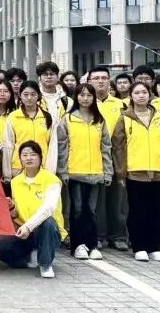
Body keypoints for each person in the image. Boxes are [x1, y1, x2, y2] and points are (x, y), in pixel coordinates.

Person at [113, 82, 160, 262]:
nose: (141, 95)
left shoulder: (159, 117)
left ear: (149, 95)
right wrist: (121, 172)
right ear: (131, 96)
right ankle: (139, 246)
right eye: (137, 92)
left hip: (158, 170)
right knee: (137, 210)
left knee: (157, 210)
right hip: (135, 171)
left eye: (144, 92)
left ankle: (155, 246)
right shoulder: (124, 118)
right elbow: (118, 148)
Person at [0, 141, 66, 279]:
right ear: (20, 159)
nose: (29, 158)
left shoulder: (52, 180)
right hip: (25, 232)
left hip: (48, 231)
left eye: (33, 154)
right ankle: (29, 258)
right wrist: (11, 208)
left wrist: (29, 227)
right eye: (24, 155)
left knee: (47, 222)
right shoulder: (16, 182)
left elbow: (49, 208)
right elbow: (17, 214)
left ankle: (45, 264)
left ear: (40, 157)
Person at [62, 83, 111, 261]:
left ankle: (92, 244)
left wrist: (108, 171)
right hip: (74, 172)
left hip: (95, 173)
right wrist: (63, 171)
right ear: (76, 97)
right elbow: (62, 147)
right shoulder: (68, 119)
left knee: (91, 210)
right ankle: (78, 245)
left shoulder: (99, 120)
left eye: (89, 95)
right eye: (82, 95)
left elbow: (106, 147)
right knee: (77, 210)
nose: (85, 98)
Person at [88, 66, 128, 251]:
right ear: (89, 82)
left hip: (117, 155)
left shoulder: (121, 105)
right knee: (98, 199)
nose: (100, 81)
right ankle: (98, 235)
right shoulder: (84, 104)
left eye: (104, 78)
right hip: (93, 156)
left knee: (118, 197)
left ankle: (118, 235)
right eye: (96, 78)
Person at [1, 81, 59, 180]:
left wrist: (51, 170)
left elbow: (52, 145)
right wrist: (7, 173)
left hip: (43, 169)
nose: (29, 98)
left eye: (33, 94)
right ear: (20, 95)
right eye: (25, 94)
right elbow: (8, 145)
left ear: (38, 95)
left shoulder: (47, 117)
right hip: (19, 168)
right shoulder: (13, 117)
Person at [35, 61, 70, 126]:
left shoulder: (67, 100)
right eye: (45, 74)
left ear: (57, 77)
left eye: (52, 74)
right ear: (39, 78)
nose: (49, 77)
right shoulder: (34, 99)